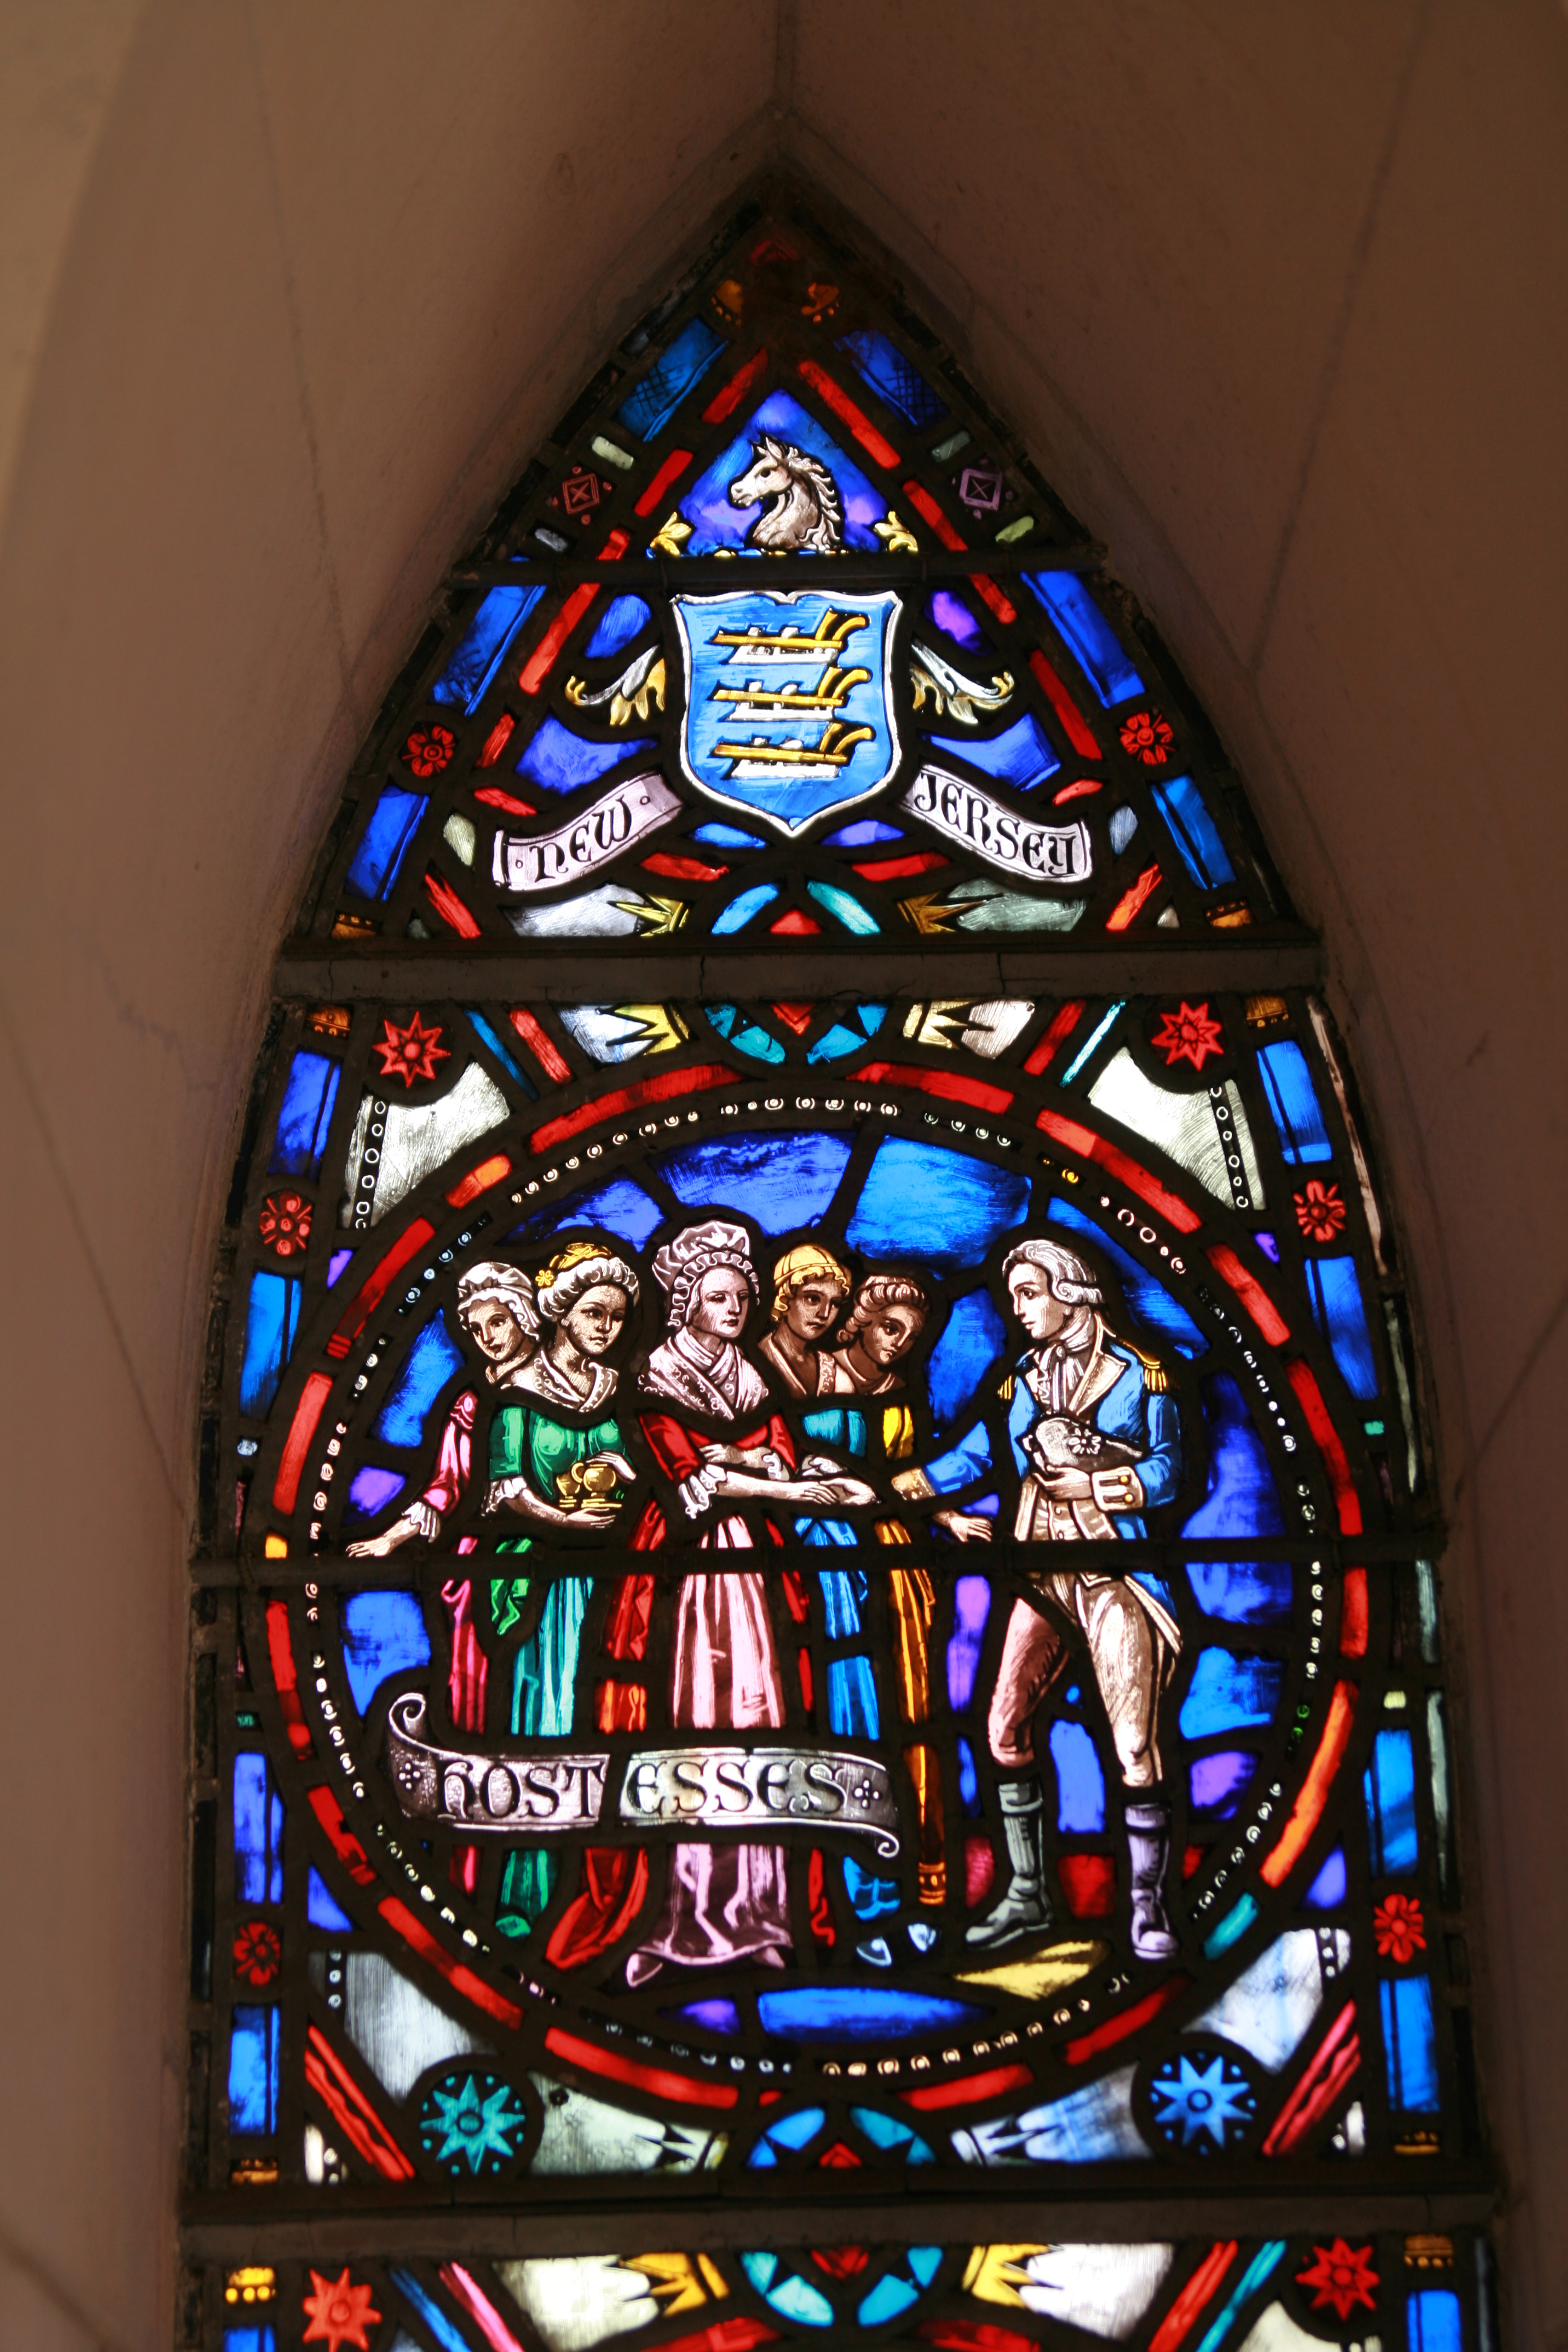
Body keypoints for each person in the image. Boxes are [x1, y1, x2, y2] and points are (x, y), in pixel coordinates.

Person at [622, 1219, 874, 1985]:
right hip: (688, 1575)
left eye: (742, 1297)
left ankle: (760, 1913)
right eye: (719, 1297)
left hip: (755, 1574)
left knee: (760, 1712)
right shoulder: (658, 1376)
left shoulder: (749, 1376)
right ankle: (684, 1915)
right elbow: (688, 1475)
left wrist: (758, 1466)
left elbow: (778, 1453)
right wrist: (781, 1484)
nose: (735, 1308)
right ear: (687, 1303)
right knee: (697, 1717)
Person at [931, 1238, 1184, 1964]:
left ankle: (1148, 1906)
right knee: (1002, 1728)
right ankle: (1028, 1896)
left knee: (1134, 1746)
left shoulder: (1141, 1374)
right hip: (1042, 1574)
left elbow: (1168, 1471)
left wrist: (1098, 1482)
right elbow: (977, 1456)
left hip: (1113, 1574)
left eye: (1028, 1293)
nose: (1017, 1308)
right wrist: (895, 1487)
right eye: (1014, 1295)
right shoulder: (1022, 1380)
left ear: (1070, 1293)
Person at [344, 1259, 539, 1558]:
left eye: (497, 1322)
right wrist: (389, 1540)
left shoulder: (572, 1385)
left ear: (523, 1315)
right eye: (476, 1329)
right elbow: (445, 1487)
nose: (487, 1339)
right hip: (494, 1556)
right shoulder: (470, 1407)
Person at [757, 1242, 852, 1397]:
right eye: (813, 1299)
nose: (825, 1314)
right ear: (784, 1299)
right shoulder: (755, 1361)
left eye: (835, 1303)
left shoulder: (833, 1372)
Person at [823, 1273, 930, 1396]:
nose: (900, 1344)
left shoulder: (897, 1387)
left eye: (911, 1337)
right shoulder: (822, 1369)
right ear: (864, 1318)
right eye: (892, 1329)